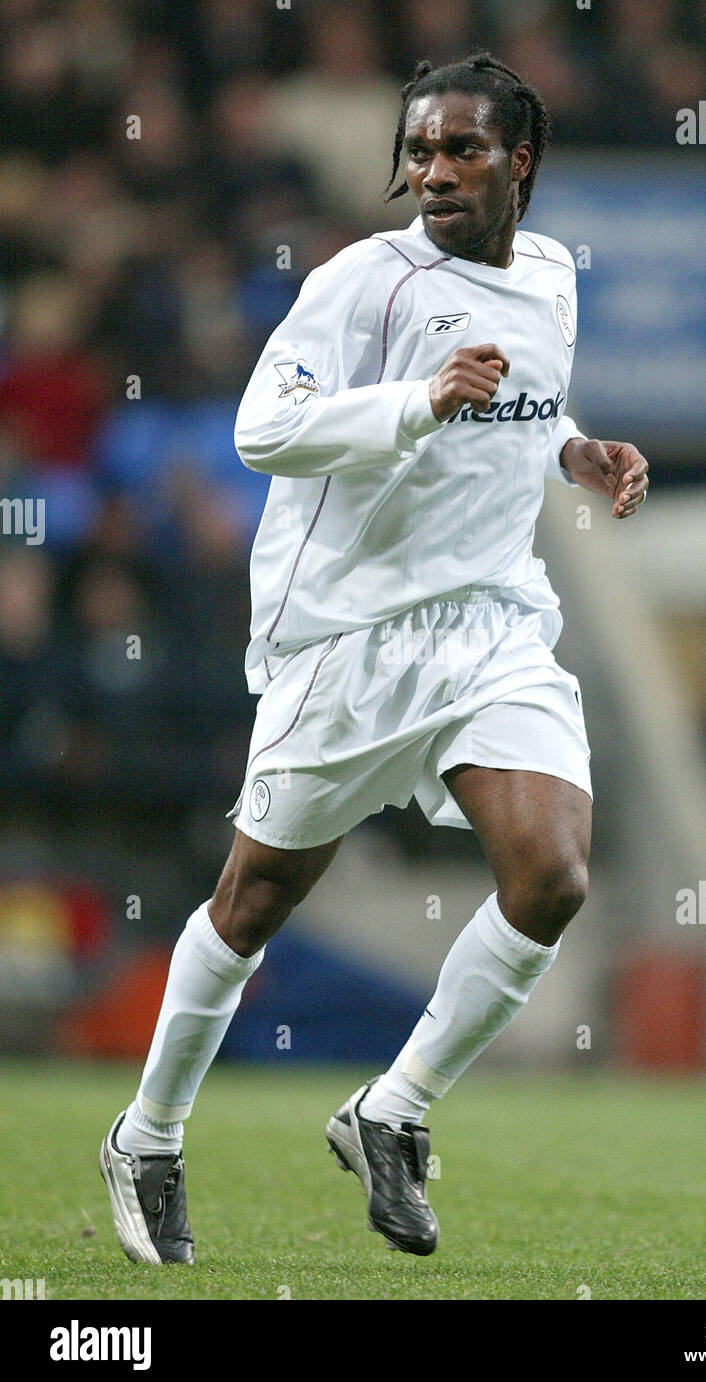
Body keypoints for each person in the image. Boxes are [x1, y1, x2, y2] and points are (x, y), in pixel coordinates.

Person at [99, 52, 649, 1264]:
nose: (433, 171)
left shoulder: (553, 275)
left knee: (551, 874)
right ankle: (147, 1131)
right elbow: (263, 430)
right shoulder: (363, 284)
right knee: (253, 901)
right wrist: (414, 401)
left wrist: (574, 452)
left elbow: (527, 399)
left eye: (460, 149)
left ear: (521, 161)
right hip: (347, 636)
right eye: (418, 150)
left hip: (491, 621)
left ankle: (390, 1111)